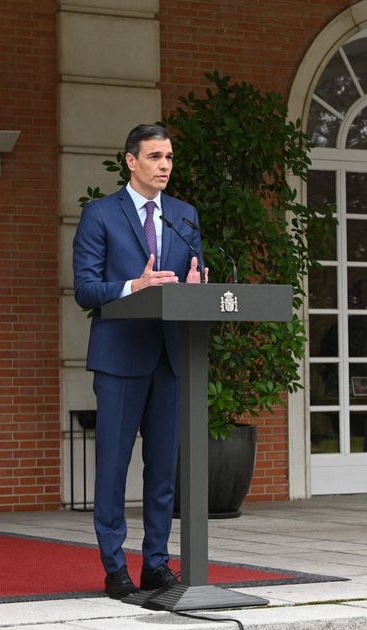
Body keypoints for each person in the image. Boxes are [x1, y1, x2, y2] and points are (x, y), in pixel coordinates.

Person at [73, 123, 207, 598]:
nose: (165, 166)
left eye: (169, 157)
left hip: (170, 357)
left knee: (163, 471)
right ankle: (114, 567)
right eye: (154, 157)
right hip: (120, 356)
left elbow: (195, 272)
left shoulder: (184, 216)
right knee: (112, 467)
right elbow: (86, 290)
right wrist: (136, 285)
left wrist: (196, 289)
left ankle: (156, 563)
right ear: (131, 161)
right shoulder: (100, 215)